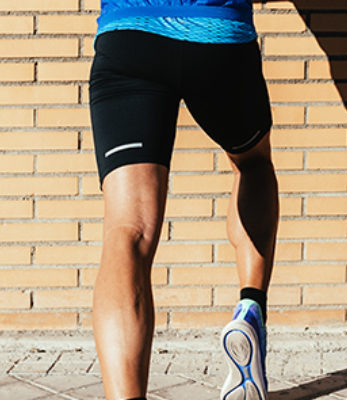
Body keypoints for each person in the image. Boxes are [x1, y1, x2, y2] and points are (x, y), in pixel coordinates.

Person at [87, 0, 278, 399]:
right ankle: (250, 307)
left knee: (129, 230)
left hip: (129, 40)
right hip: (217, 39)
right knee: (253, 165)